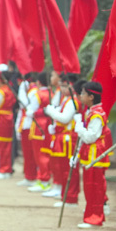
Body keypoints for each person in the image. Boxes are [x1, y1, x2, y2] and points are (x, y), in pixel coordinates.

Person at [76, 82, 112, 228]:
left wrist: (79, 129)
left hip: (95, 155)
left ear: (91, 97)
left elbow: (91, 136)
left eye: (83, 93)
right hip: (88, 153)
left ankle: (95, 217)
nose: (81, 96)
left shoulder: (97, 114)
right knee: (89, 187)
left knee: (95, 187)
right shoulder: (91, 111)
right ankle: (91, 213)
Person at [42, 78, 79, 207]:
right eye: (61, 86)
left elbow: (65, 118)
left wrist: (51, 112)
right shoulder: (65, 100)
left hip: (69, 140)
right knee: (61, 168)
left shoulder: (73, 101)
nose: (63, 89)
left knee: (68, 170)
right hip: (61, 138)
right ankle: (65, 196)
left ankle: (71, 198)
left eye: (65, 86)